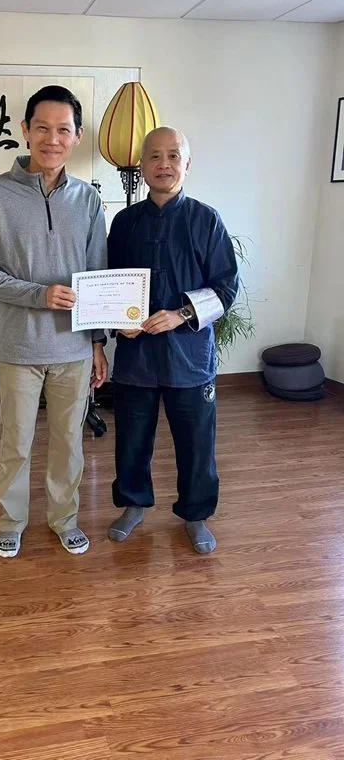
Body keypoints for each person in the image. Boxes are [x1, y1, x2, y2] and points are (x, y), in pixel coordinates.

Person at [0, 85, 108, 559]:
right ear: (25, 131)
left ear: (77, 136)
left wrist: (97, 343)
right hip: (18, 348)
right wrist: (38, 295)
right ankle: (12, 521)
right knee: (16, 443)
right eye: (42, 128)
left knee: (69, 443)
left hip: (73, 349)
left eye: (63, 130)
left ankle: (65, 518)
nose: (53, 139)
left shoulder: (88, 199)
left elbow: (97, 276)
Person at [106, 126, 238, 554]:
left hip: (190, 357)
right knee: (131, 437)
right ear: (142, 165)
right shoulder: (124, 223)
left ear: (187, 164)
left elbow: (226, 288)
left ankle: (196, 515)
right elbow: (108, 282)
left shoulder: (206, 220)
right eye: (155, 156)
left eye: (173, 156)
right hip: (136, 355)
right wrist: (116, 321)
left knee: (197, 442)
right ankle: (133, 505)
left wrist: (181, 314)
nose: (164, 164)